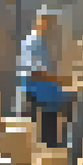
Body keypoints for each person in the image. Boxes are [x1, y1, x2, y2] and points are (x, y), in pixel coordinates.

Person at [17, 8, 72, 148]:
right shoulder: (33, 43)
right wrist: (61, 80)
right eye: (51, 24)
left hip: (50, 96)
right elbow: (36, 72)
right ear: (41, 23)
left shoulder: (48, 43)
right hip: (35, 95)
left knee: (51, 134)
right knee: (35, 136)